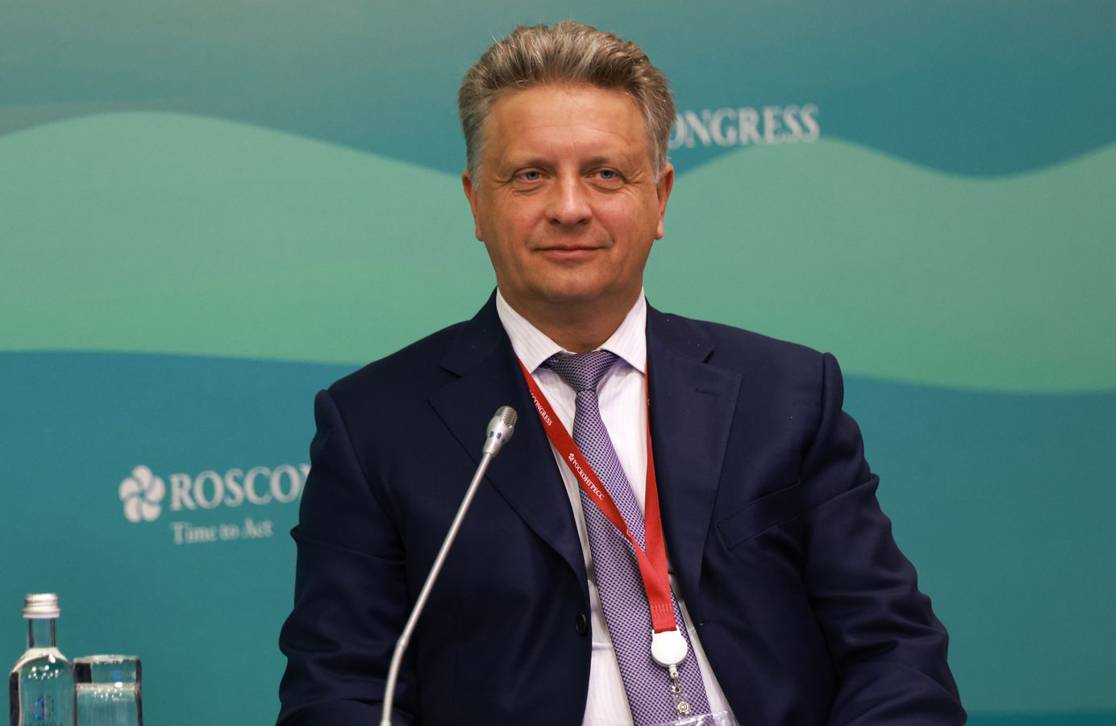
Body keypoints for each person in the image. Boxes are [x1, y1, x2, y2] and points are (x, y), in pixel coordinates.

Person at [277, 21, 965, 726]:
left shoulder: (784, 394)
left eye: (606, 174)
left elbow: (894, 650)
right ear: (476, 201)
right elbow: (339, 691)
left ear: (660, 197)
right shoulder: (376, 426)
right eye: (530, 175)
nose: (570, 208)